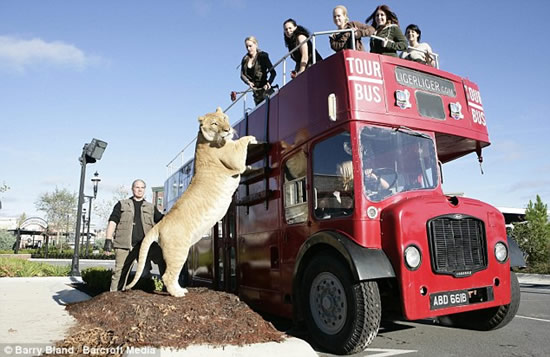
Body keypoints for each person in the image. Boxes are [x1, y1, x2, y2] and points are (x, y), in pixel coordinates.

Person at [103, 179, 165, 291]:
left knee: (164, 259)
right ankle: (114, 298)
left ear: (144, 190)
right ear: (132, 189)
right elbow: (113, 221)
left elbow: (163, 220)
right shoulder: (122, 204)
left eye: (142, 188)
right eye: (137, 187)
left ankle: (168, 287)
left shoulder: (150, 207)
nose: (139, 190)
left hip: (146, 245)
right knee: (120, 272)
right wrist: (108, 240)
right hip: (125, 245)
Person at [240, 36, 276, 105]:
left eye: (250, 46)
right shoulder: (245, 59)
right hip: (256, 95)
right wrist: (248, 82)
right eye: (247, 47)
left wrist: (269, 83)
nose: (248, 48)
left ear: (256, 44)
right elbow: (242, 75)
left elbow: (273, 73)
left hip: (266, 91)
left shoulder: (263, 56)